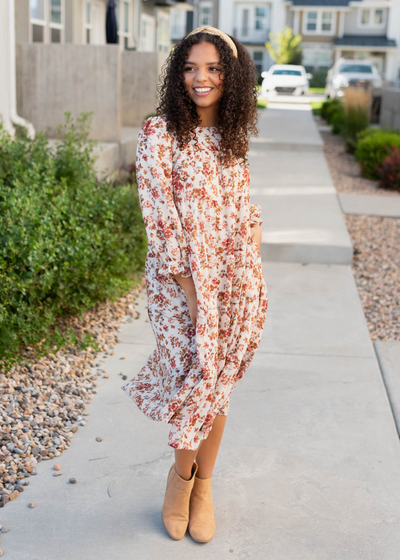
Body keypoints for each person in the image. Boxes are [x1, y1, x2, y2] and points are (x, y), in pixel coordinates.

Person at [121, 25, 268, 543]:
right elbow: (159, 218)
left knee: (218, 383)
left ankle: (202, 486)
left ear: (232, 78)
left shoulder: (233, 136)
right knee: (194, 375)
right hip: (179, 280)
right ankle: (178, 480)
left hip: (233, 276)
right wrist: (189, 286)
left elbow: (241, 202)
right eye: (189, 68)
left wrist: (251, 226)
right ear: (177, 73)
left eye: (212, 69)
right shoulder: (159, 133)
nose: (199, 78)